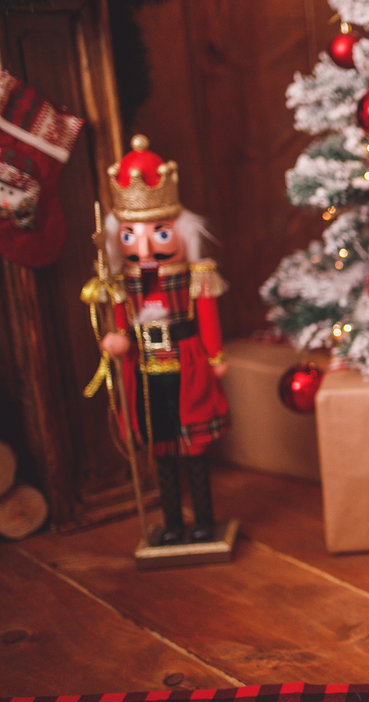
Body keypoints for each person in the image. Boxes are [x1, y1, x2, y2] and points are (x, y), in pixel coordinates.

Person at [100, 135, 230, 545]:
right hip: (147, 373)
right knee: (162, 448)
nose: (142, 246)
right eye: (129, 235)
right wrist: (118, 341)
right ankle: (172, 522)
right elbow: (122, 325)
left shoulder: (194, 276)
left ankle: (204, 521)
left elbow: (206, 315)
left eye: (157, 233)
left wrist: (215, 354)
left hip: (188, 364)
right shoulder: (126, 285)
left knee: (193, 449)